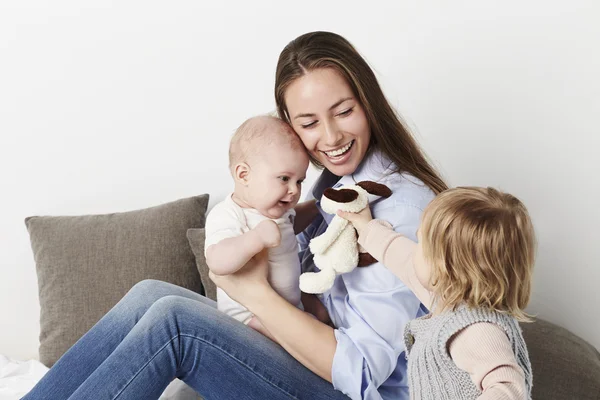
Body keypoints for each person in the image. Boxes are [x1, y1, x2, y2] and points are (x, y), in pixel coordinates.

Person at [23, 31, 447, 400]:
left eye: (344, 111)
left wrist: (252, 293)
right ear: (291, 129)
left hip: (350, 390)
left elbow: (363, 372)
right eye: (309, 122)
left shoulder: (399, 208)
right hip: (308, 360)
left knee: (176, 324)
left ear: (368, 103)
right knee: (149, 295)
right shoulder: (334, 187)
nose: (331, 137)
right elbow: (312, 234)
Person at [338, 186, 535, 399]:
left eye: (420, 242)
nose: (415, 251)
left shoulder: (477, 330)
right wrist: (366, 228)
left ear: (444, 266)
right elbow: (403, 258)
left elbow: (508, 388)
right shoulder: (450, 298)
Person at [204, 115, 318, 338]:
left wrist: (318, 206)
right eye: (284, 178)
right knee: (307, 332)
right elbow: (217, 261)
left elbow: (294, 222)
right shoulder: (229, 214)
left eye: (299, 181)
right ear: (244, 175)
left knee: (320, 318)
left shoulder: (279, 211)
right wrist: (255, 239)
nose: (294, 190)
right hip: (249, 319)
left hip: (286, 310)